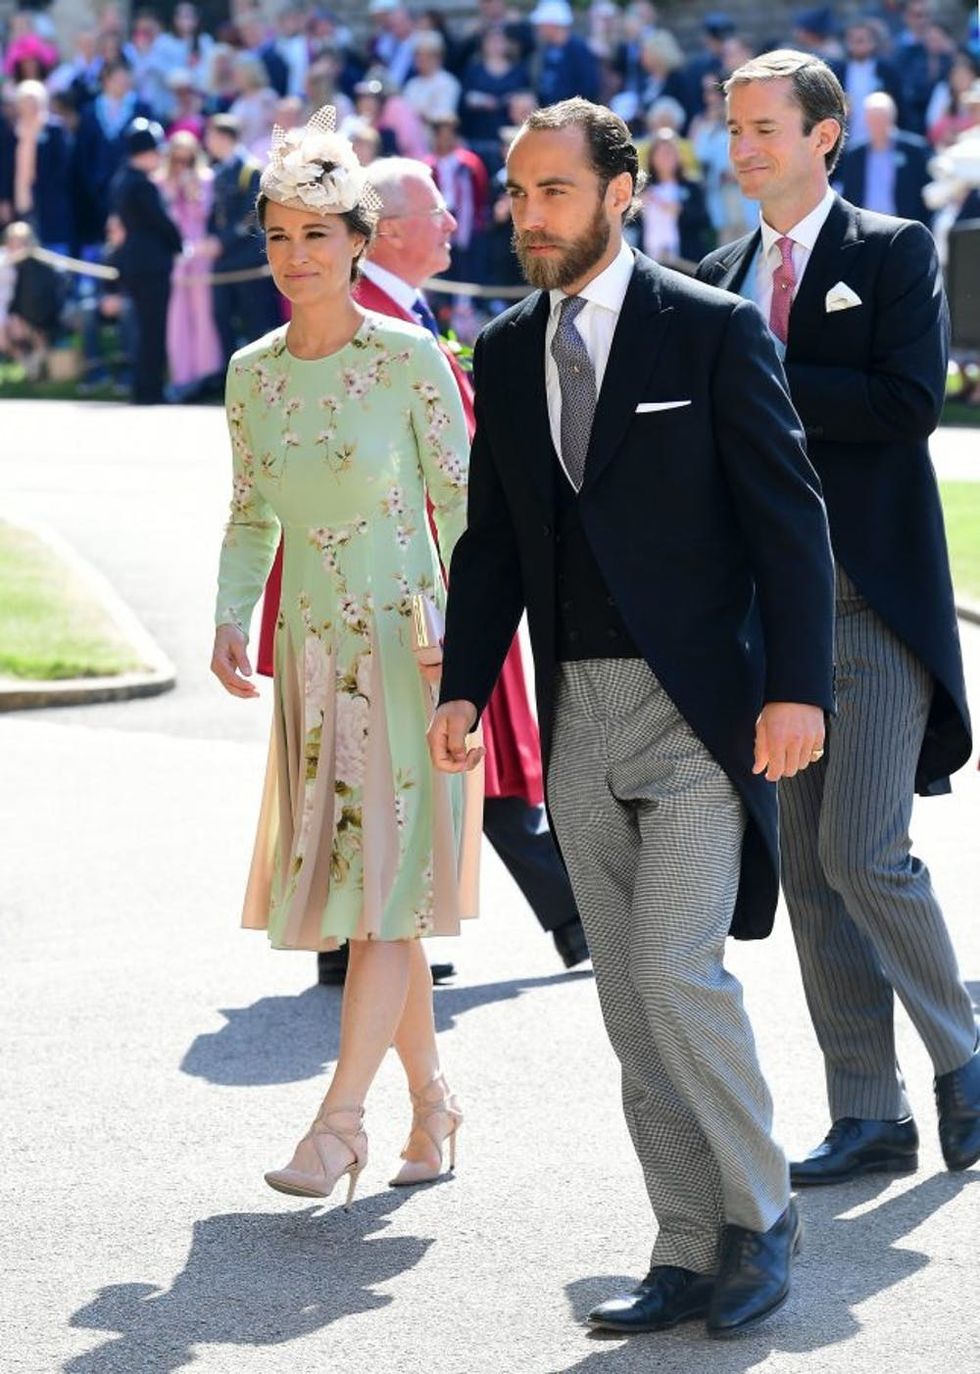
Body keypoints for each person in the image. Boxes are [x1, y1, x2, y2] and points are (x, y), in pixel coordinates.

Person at [430, 97, 836, 1338]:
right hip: (573, 710)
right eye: (514, 193)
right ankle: (680, 1241)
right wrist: (461, 680)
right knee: (622, 995)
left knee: (674, 971)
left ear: (620, 194)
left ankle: (757, 1219)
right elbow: (496, 537)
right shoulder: (502, 348)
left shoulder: (709, 332)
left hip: (700, 714)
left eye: (552, 191)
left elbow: (788, 521)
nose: (526, 215)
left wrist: (797, 688)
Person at [698, 49, 979, 1187]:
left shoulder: (894, 250)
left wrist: (756, 368)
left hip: (869, 604)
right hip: (772, 626)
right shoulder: (714, 272)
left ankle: (963, 1056)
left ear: (823, 137)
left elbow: (908, 403)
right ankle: (868, 1112)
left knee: (864, 852)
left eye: (765, 126)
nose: (745, 147)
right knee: (809, 875)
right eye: (734, 129)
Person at [210, 107, 475, 1206]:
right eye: (277, 236)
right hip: (310, 664)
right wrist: (230, 614)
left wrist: (475, 667)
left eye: (316, 234)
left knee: (386, 896)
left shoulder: (408, 357)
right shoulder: (251, 372)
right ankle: (432, 1104)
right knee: (381, 897)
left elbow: (464, 513)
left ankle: (338, 1125)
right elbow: (248, 515)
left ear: (361, 241)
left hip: (408, 658)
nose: (294, 256)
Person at [254, 154, 588, 984]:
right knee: (405, 754)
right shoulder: (345, 322)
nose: (454, 224)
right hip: (381, 593)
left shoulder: (405, 322)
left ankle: (373, 940)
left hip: (434, 582)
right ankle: (368, 939)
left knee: (451, 752)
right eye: (437, 213)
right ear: (388, 232)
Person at [109, 118, 182, 405]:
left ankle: (144, 386)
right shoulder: (141, 184)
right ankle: (150, 389)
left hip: (135, 263)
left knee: (144, 326)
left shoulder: (124, 179)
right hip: (150, 264)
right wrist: (178, 245)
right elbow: (161, 223)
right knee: (153, 328)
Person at [202, 113, 280, 365]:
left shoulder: (250, 169)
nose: (207, 141)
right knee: (221, 318)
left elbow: (252, 216)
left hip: (247, 261)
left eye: (211, 135)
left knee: (253, 323)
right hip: (223, 262)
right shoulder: (217, 170)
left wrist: (221, 242)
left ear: (224, 137)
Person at [156, 130, 222, 396]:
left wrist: (193, 191)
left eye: (187, 159)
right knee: (177, 318)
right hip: (174, 254)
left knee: (203, 314)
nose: (182, 165)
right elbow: (163, 215)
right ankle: (182, 377)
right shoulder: (160, 181)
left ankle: (207, 375)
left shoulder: (206, 178)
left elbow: (203, 213)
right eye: (178, 160)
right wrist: (174, 189)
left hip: (200, 252)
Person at [834, 91, 931, 224]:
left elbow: (927, 193)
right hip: (864, 229)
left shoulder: (914, 151)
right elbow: (848, 195)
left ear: (892, 118)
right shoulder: (854, 155)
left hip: (905, 227)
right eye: (873, 119)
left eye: (882, 118)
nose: (878, 124)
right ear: (866, 120)